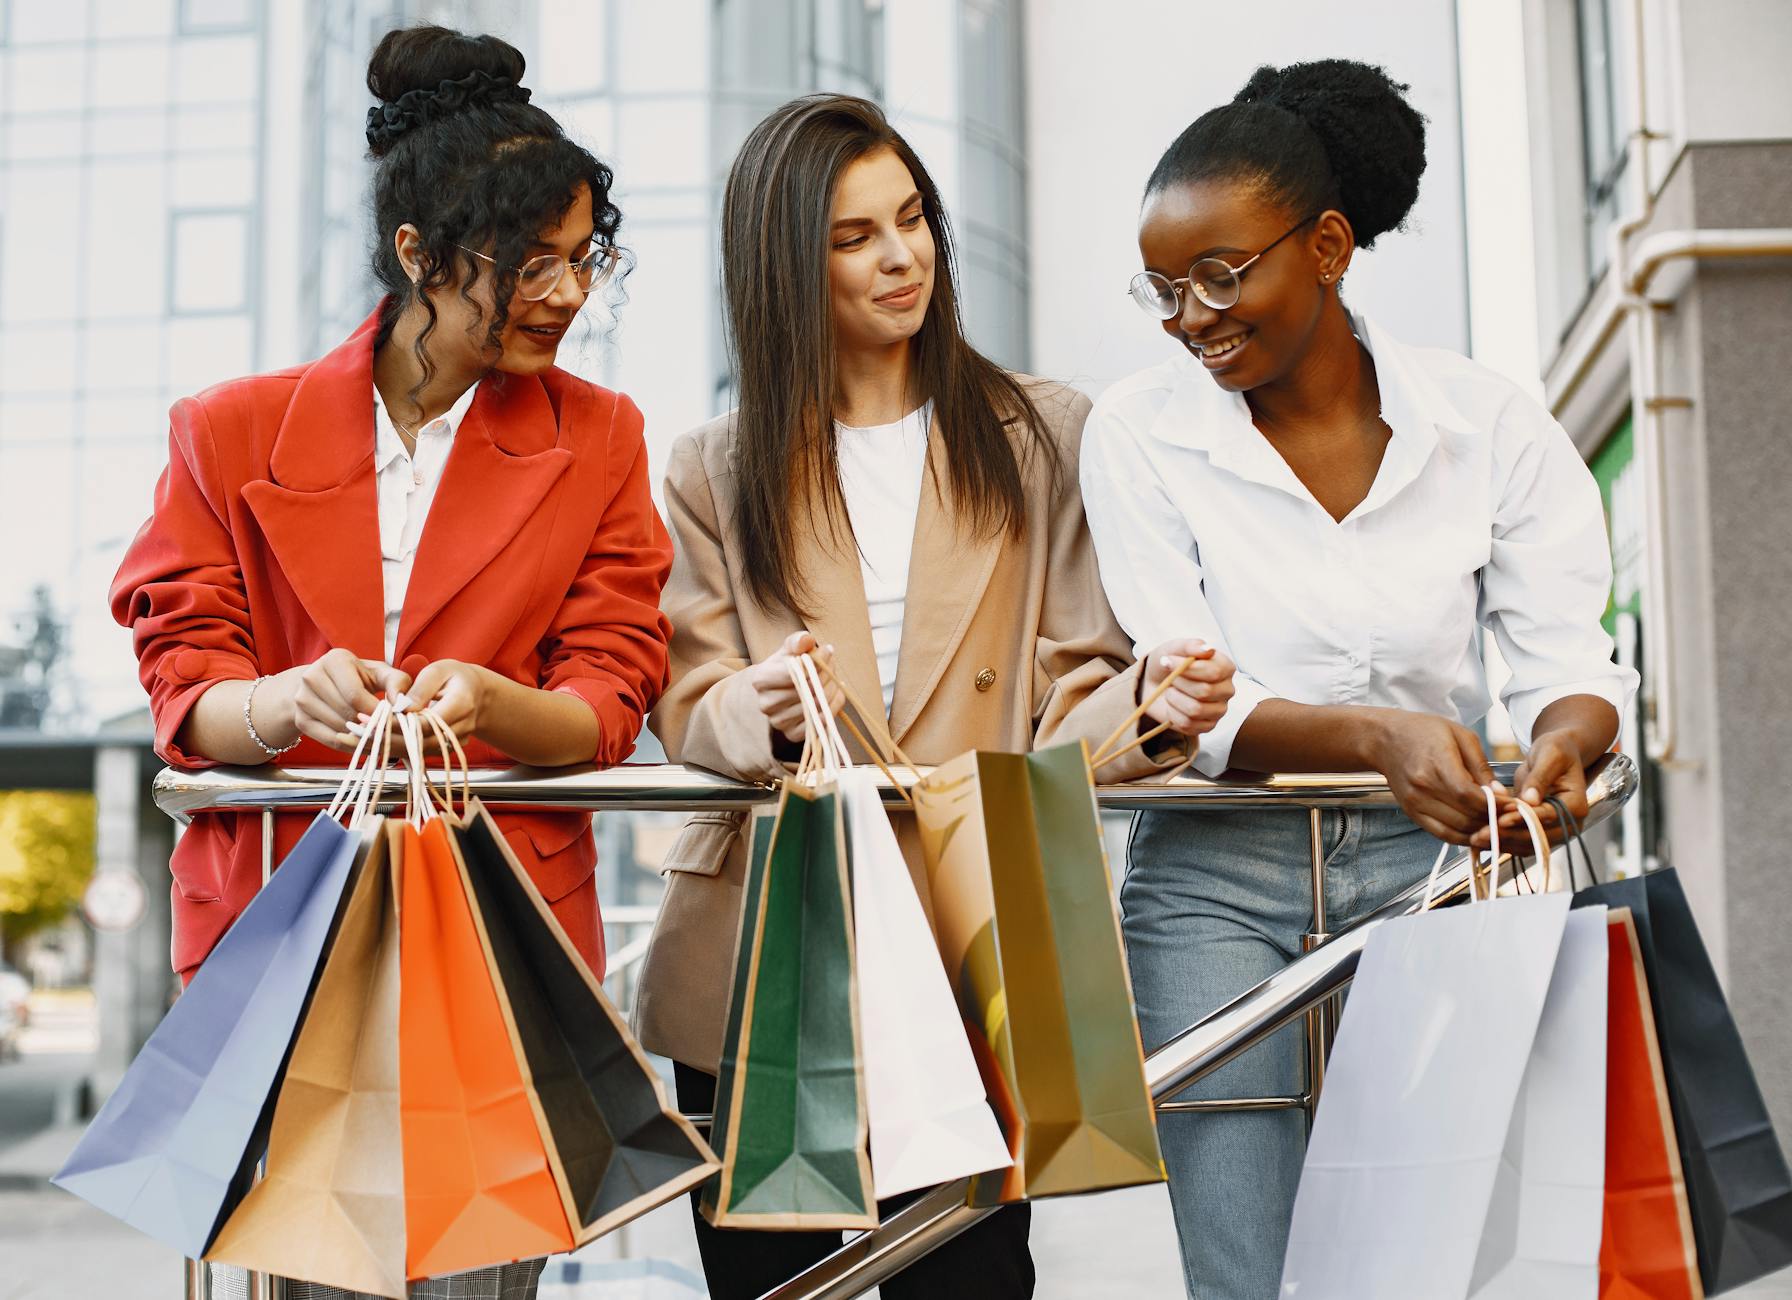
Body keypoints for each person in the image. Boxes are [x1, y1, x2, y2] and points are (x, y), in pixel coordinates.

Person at [630, 92, 1235, 1300]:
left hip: (972, 937)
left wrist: (1151, 701)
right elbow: (682, 689)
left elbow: (1075, 674)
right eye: (853, 236)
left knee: (965, 1279)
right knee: (778, 1281)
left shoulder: (1038, 431)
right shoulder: (714, 463)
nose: (901, 255)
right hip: (769, 948)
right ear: (784, 263)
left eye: (912, 219)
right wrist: (750, 707)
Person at [109, 25, 673, 1300]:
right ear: (416, 253)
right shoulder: (231, 431)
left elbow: (612, 687)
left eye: (585, 258)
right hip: (283, 936)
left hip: (500, 936)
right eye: (530, 264)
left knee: (485, 1284)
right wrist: (281, 699)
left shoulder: (601, 436)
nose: (568, 293)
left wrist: (495, 702)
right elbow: (185, 678)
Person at [1079, 59, 1638, 1299]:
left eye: (1222, 275)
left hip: (1438, 865)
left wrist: (1563, 745)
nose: (1190, 315)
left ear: (1326, 246)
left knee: (1439, 1256)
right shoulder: (1135, 431)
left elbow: (1568, 662)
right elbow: (1186, 702)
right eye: (1164, 289)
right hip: (1211, 880)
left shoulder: (1485, 422)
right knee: (1244, 1266)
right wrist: (1379, 735)